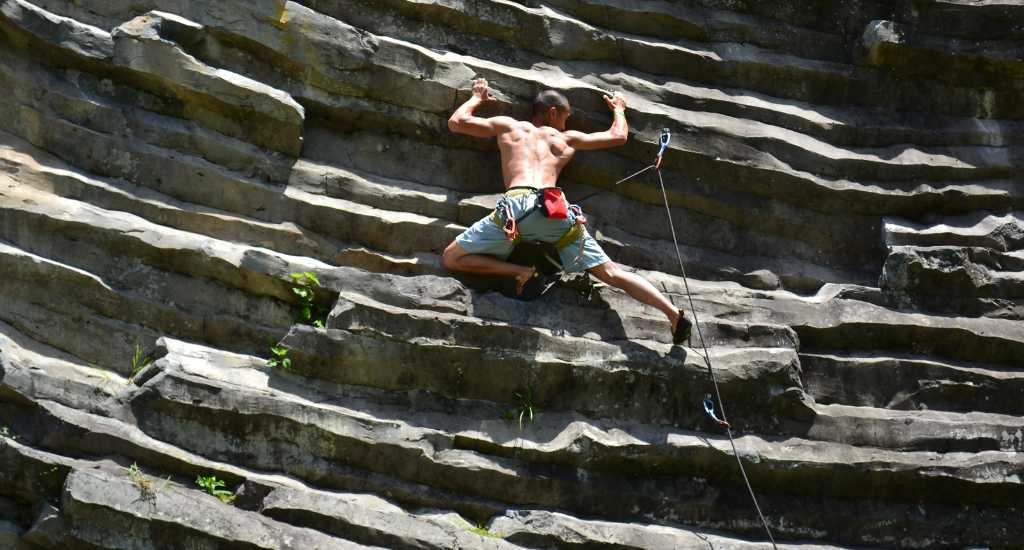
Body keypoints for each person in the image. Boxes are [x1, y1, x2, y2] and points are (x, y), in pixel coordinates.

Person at [442, 78, 691, 344]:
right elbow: (618, 136)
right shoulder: (566, 139)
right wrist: (618, 108)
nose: (566, 123)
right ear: (553, 112)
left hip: (515, 213)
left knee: (451, 258)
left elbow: (457, 123)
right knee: (611, 273)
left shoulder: (509, 126)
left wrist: (477, 98)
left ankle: (518, 271)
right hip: (556, 212)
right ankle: (673, 314)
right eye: (566, 117)